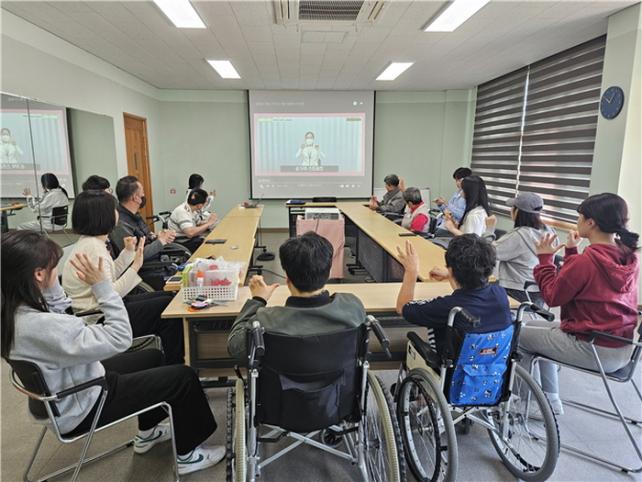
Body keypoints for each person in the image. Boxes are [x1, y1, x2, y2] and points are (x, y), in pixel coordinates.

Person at [1, 231, 224, 476]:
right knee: (183, 378)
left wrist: (50, 285)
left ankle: (149, 431)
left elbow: (60, 314)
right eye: (54, 268)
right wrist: (102, 287)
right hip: (85, 402)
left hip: (67, 390)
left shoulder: (13, 313)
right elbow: (120, 338)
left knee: (153, 358)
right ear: (38, 274)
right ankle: (189, 455)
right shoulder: (44, 327)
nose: (58, 273)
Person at [518, 193, 639, 416]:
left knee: (517, 336)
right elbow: (582, 283)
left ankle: (529, 403)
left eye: (580, 217)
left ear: (591, 223)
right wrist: (572, 252)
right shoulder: (628, 257)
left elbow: (553, 297)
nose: (577, 222)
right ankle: (551, 399)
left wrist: (545, 260)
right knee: (530, 325)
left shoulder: (586, 261)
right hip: (621, 346)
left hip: (594, 348)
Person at [62, 190, 185, 365]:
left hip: (102, 308)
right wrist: (136, 266)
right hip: (100, 317)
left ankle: (174, 362)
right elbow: (111, 293)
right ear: (104, 216)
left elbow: (107, 279)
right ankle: (175, 364)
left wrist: (128, 253)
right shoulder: (94, 249)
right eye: (114, 209)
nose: (117, 212)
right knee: (167, 308)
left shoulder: (90, 243)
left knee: (167, 298)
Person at [228, 232, 366, 360]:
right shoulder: (352, 306)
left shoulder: (266, 320)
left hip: (281, 379)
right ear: (329, 272)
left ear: (287, 277)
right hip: (342, 379)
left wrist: (258, 300)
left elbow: (235, 347)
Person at [396, 234, 512, 353]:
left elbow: (402, 307)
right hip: (495, 362)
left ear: (451, 269)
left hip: (448, 363)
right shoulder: (500, 294)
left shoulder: (449, 308)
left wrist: (412, 271)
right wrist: (450, 275)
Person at [110, 176, 177, 290]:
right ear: (135, 198)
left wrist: (159, 237)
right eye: (142, 193)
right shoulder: (121, 224)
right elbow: (133, 256)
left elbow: (146, 237)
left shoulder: (135, 215)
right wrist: (161, 241)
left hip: (155, 260)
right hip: (145, 269)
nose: (144, 196)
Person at [491, 192, 552, 303]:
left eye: (513, 207)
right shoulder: (550, 232)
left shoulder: (518, 236)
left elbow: (487, 252)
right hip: (540, 292)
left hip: (517, 291)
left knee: (477, 290)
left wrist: (489, 230)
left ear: (517, 211)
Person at [168, 188, 218, 253]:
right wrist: (209, 223)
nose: (206, 204)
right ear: (200, 205)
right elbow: (190, 233)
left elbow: (198, 224)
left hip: (190, 239)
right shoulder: (182, 212)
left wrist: (210, 221)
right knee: (212, 246)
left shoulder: (192, 208)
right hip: (183, 242)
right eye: (205, 202)